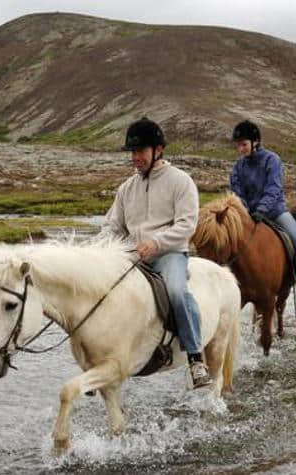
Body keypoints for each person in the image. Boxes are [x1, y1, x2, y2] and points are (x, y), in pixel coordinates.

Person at [100, 117, 211, 389]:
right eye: (133, 153)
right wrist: (97, 250)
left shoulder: (181, 181)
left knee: (175, 291)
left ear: (158, 150)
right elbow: (113, 226)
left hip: (169, 254)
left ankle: (195, 357)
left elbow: (187, 224)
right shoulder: (126, 189)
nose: (135, 157)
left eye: (140, 151)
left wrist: (156, 243)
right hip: (133, 255)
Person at [229, 119, 296, 310]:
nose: (241, 149)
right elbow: (236, 192)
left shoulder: (272, 160)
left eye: (243, 144)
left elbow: (274, 189)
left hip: (275, 212)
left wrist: (261, 209)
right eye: (238, 146)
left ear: (255, 142)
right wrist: (245, 211)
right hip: (249, 216)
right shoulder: (238, 167)